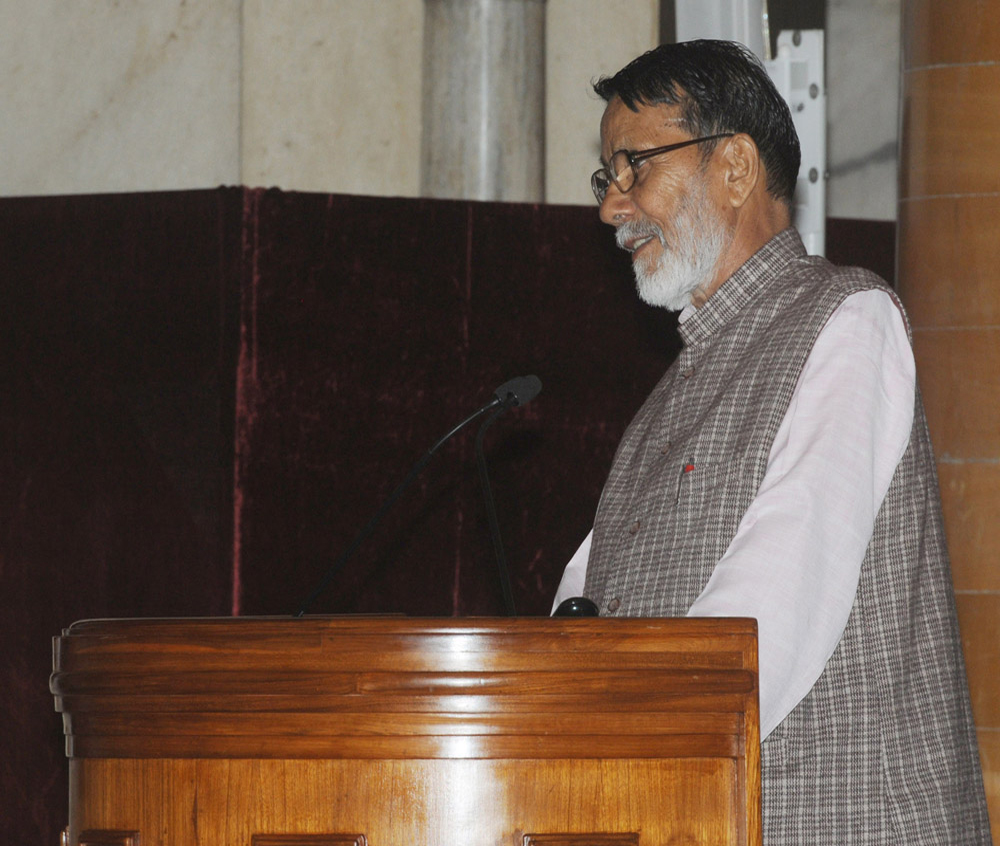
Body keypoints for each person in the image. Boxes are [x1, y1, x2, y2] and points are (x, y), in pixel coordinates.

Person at [553, 40, 991, 843]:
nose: (612, 208)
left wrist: (608, 753)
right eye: (605, 178)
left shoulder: (847, 319)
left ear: (734, 168)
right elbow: (584, 606)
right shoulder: (665, 400)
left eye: (634, 167)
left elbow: (774, 600)